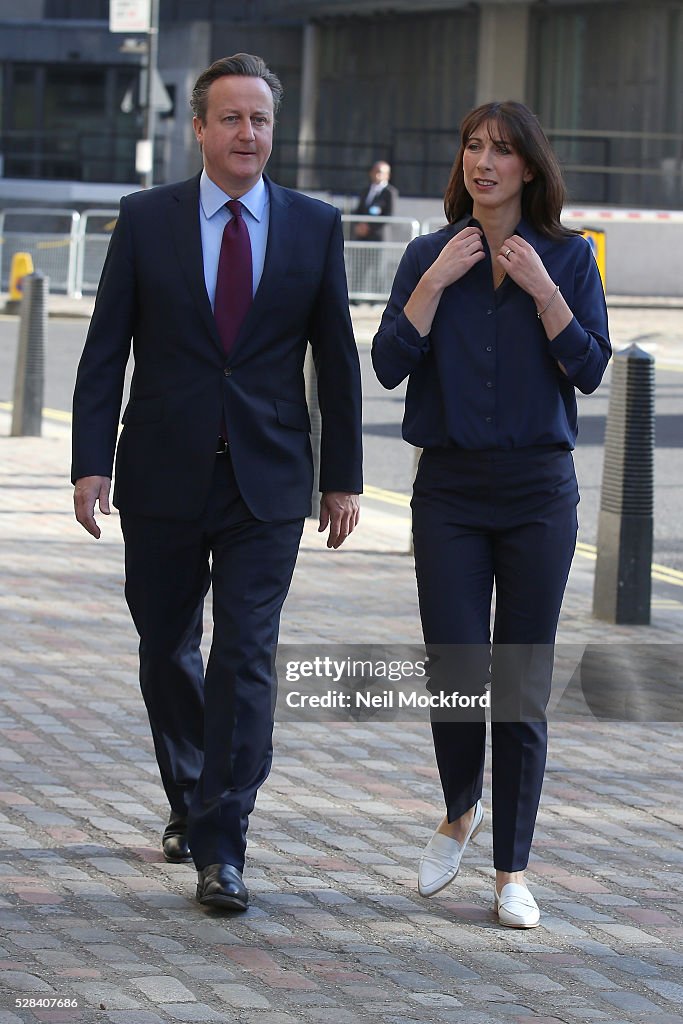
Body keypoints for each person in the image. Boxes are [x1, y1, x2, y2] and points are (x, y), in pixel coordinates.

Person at [71, 53, 362, 913]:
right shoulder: (145, 219)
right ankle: (189, 793)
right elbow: (104, 350)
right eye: (230, 119)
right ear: (198, 128)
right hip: (160, 471)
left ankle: (222, 841)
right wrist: (92, 461)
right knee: (166, 648)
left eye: (260, 120)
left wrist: (341, 478)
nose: (247, 134)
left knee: (243, 656)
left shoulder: (313, 225)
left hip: (267, 481)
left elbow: (336, 362)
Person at [372, 101, 610, 928]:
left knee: (518, 683)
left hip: (538, 496)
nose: (484, 162)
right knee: (455, 666)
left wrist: (545, 291)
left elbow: (587, 371)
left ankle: (511, 869)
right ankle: (458, 808)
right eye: (472, 145)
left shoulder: (570, 258)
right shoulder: (426, 254)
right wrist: (435, 283)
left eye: (501, 151)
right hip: (448, 494)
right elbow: (388, 365)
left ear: (529, 169)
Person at [352, 160, 397, 242]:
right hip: (362, 237)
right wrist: (359, 225)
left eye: (380, 172)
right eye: (374, 171)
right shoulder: (365, 191)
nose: (376, 174)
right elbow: (359, 210)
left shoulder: (390, 192)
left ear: (387, 175)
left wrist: (369, 227)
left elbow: (389, 214)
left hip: (378, 237)